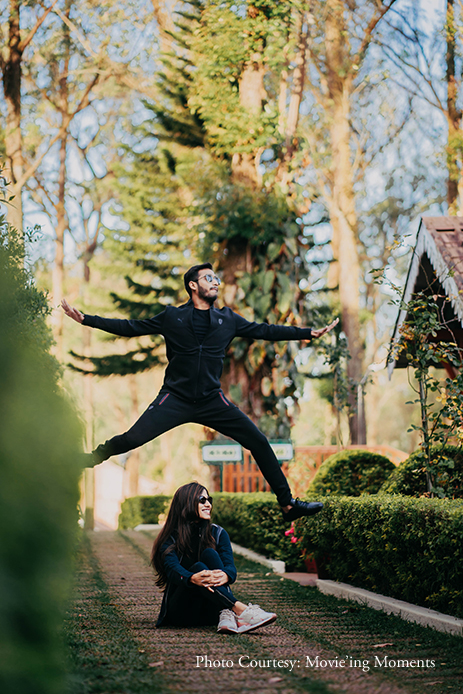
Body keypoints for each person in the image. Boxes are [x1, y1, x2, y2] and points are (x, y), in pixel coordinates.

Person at [62, 262, 338, 522]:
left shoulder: (227, 319)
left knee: (258, 440)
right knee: (132, 438)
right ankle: (90, 459)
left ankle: (288, 504)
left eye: (216, 278)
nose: (216, 282)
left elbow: (265, 330)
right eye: (209, 278)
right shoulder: (172, 317)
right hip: (175, 399)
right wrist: (87, 320)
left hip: (211, 401)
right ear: (193, 286)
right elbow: (131, 327)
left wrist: (305, 332)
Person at [151, 481, 277, 633]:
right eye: (202, 500)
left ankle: (226, 613)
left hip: (211, 613)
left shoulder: (217, 533)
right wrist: (191, 578)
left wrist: (225, 574)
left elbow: (231, 568)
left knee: (209, 553)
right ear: (187, 503)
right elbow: (173, 569)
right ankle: (240, 610)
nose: (208, 504)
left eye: (209, 500)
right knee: (199, 568)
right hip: (181, 611)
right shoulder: (170, 537)